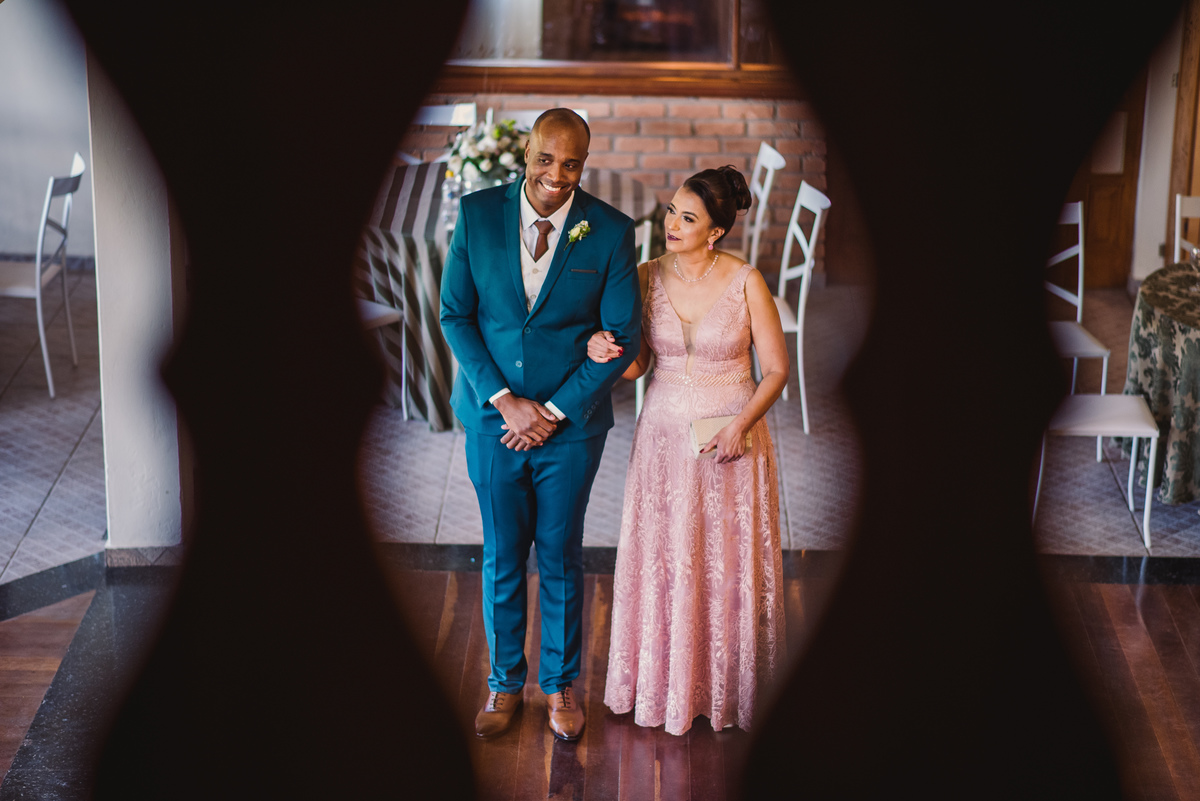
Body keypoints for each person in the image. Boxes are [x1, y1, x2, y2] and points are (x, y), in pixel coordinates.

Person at [439, 109, 641, 742]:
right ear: (526, 153)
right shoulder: (476, 215)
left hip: (570, 431)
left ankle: (559, 685)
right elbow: (455, 316)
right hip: (492, 423)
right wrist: (505, 401)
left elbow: (623, 337)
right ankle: (504, 683)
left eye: (571, 163)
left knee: (559, 555)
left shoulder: (611, 231)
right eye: (546, 159)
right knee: (502, 554)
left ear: (585, 164)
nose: (557, 174)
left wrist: (551, 412)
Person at [586, 166, 789, 736]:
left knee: (725, 566)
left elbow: (776, 370)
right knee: (666, 560)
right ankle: (665, 686)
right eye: (672, 211)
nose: (671, 224)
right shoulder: (645, 275)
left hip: (733, 439)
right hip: (664, 443)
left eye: (688, 218)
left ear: (716, 231)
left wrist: (741, 426)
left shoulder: (746, 281)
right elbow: (637, 368)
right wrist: (602, 345)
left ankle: (726, 689)